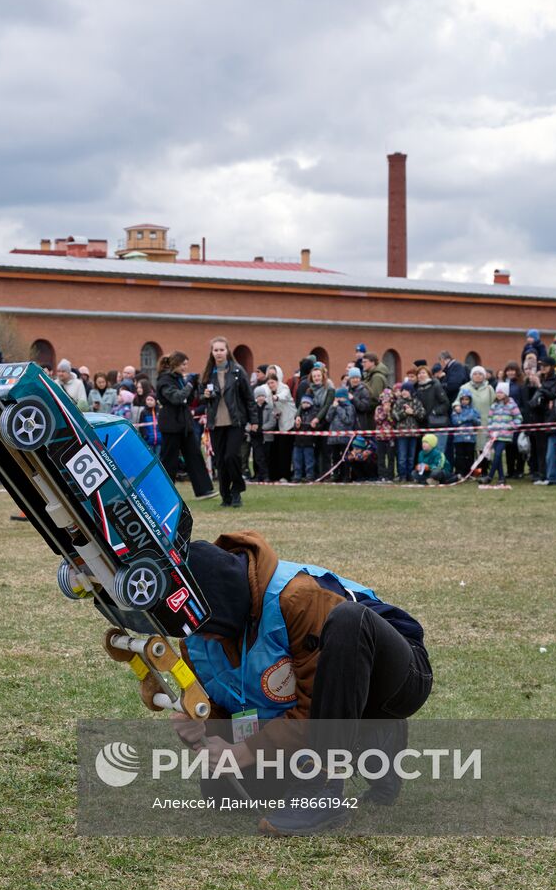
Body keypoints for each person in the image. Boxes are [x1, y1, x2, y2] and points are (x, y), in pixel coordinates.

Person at [171, 531, 431, 836]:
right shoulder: (195, 639)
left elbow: (313, 701)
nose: (200, 636)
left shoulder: (297, 597)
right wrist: (198, 729)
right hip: (322, 702)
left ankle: (323, 787)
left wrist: (251, 749)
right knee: (224, 793)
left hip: (390, 678)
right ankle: (370, 735)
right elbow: (221, 712)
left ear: (226, 605)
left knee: (348, 619)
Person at [200, 337, 256, 507]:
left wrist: (254, 420)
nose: (218, 353)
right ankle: (225, 495)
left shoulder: (237, 371)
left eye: (221, 350)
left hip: (235, 421)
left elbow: (248, 397)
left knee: (232, 456)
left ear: (227, 351)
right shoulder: (209, 374)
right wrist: (205, 396)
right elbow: (200, 397)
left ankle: (237, 490)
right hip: (216, 423)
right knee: (220, 461)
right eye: (215, 350)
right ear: (212, 352)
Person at [156, 351, 216, 500]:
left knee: (194, 456)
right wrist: (189, 384)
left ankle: (204, 490)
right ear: (175, 364)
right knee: (169, 460)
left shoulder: (178, 379)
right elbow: (176, 398)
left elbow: (187, 400)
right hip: (171, 425)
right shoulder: (165, 380)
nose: (186, 367)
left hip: (184, 424)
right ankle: (164, 493)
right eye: (183, 364)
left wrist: (197, 390)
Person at [483, 381, 522, 485]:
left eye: (501, 392)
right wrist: (490, 430)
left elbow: (518, 418)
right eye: (497, 392)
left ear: (506, 393)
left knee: (498, 454)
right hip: (494, 435)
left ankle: (490, 476)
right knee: (498, 456)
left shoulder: (511, 405)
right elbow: (490, 418)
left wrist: (510, 426)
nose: (499, 394)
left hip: (505, 435)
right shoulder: (494, 405)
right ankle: (501, 478)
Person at [448, 386, 481, 479]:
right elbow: (455, 422)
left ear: (470, 400)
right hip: (459, 438)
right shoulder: (456, 410)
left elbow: (478, 422)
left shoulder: (474, 411)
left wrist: (473, 419)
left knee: (469, 456)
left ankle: (469, 473)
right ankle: (459, 472)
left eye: (467, 399)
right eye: (462, 399)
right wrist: (467, 419)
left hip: (470, 438)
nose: (464, 401)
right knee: (459, 456)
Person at [290, 396, 319, 482]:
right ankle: (297, 476)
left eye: (307, 403)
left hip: (309, 442)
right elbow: (295, 428)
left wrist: (314, 427)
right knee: (296, 460)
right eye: (303, 403)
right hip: (298, 442)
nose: (305, 404)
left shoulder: (314, 413)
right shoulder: (298, 414)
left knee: (309, 460)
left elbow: (318, 426)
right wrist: (297, 426)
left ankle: (310, 476)